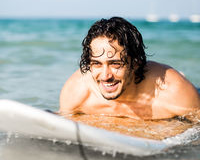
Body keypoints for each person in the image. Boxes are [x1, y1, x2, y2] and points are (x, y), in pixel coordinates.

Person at [59, 17, 200, 120]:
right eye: (97, 64)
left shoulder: (173, 92)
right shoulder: (77, 91)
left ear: (136, 63)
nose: (105, 75)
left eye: (115, 64)